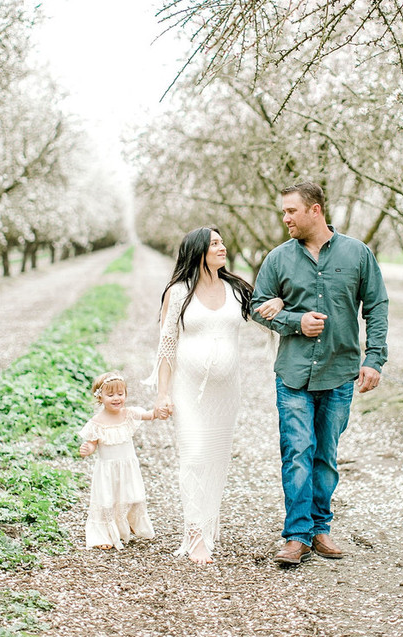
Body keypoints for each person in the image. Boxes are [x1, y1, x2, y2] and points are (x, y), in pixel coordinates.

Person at [251, 182, 388, 566]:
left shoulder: (357, 253)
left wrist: (374, 359)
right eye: (283, 212)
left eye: (291, 211)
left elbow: (376, 306)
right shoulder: (278, 258)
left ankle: (320, 529)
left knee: (325, 455)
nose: (285, 218)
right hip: (293, 374)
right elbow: (256, 306)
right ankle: (296, 536)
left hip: (340, 372)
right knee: (297, 452)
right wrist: (295, 322)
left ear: (315, 210)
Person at [147, 226, 253, 565]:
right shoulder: (178, 293)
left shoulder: (236, 289)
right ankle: (195, 536)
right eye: (215, 244)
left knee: (216, 462)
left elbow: (267, 317)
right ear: (198, 251)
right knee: (193, 457)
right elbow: (166, 346)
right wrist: (163, 393)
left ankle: (206, 527)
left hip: (227, 392)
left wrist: (280, 304)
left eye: (223, 242)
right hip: (188, 389)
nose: (223, 248)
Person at [78, 371, 159, 550]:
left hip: (128, 467)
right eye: (110, 394)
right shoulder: (97, 422)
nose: (116, 398)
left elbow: (148, 415)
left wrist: (159, 411)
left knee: (133, 495)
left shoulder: (128, 414)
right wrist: (88, 449)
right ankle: (103, 535)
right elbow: (92, 443)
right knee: (108, 499)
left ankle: (130, 523)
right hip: (108, 470)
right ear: (100, 397)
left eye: (120, 394)